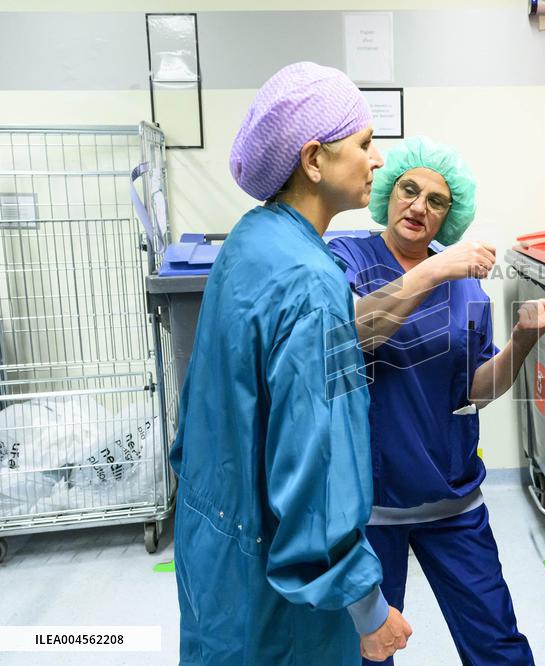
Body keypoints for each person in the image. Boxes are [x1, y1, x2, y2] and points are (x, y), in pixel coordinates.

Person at [170, 62, 412, 665]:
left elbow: (202, 405)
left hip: (215, 548)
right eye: (363, 144)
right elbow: (317, 465)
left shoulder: (249, 240)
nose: (378, 160)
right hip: (281, 595)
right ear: (313, 160)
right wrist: (367, 607)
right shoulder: (311, 283)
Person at [328, 136, 545, 666]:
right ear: (388, 191)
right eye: (410, 190)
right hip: (369, 503)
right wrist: (433, 268)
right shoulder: (347, 257)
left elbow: (474, 391)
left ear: (448, 217)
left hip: (451, 497)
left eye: (437, 202)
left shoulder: (468, 289)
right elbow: (352, 337)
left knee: (497, 642)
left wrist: (523, 340)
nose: (419, 207)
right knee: (366, 652)